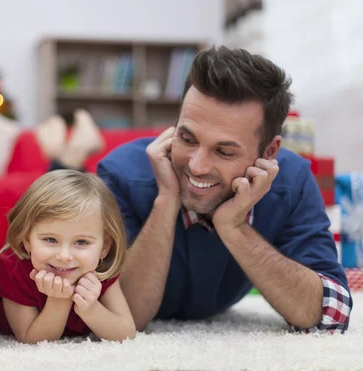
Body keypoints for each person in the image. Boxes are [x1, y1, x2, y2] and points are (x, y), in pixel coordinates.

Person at [97, 46, 352, 333]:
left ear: (269, 152)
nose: (197, 166)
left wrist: (233, 227)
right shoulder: (120, 175)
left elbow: (332, 316)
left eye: (224, 151)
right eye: (187, 138)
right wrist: (167, 201)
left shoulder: (292, 181)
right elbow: (117, 318)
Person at [0, 170, 136, 343]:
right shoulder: (13, 268)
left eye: (82, 242)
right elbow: (31, 340)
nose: (64, 256)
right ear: (27, 240)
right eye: (50, 239)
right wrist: (59, 301)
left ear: (104, 248)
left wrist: (90, 309)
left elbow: (127, 333)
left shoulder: (102, 269)